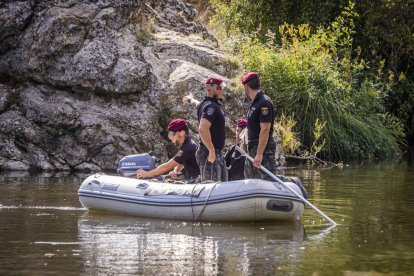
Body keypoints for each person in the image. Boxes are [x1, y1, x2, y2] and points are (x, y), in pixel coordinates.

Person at [136, 118, 200, 182]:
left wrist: (147, 174)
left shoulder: (188, 147)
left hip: (196, 181)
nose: (171, 138)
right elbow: (181, 161)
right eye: (169, 134)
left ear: (182, 133)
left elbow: (167, 166)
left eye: (172, 134)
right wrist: (176, 171)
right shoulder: (186, 143)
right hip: (192, 179)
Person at [242, 72, 277, 180]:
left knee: (268, 181)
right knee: (251, 181)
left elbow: (265, 129)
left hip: (263, 149)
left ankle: (292, 184)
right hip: (252, 147)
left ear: (246, 87)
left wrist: (260, 153)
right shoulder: (255, 103)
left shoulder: (263, 102)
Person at [195, 77, 228, 182]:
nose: (223, 90)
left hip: (213, 152)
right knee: (211, 188)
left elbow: (197, 104)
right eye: (220, 87)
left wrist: (191, 99)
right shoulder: (211, 107)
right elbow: (203, 129)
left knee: (222, 186)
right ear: (212, 88)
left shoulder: (204, 104)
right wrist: (211, 150)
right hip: (209, 153)